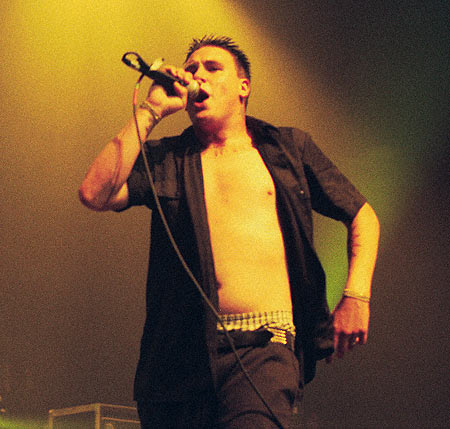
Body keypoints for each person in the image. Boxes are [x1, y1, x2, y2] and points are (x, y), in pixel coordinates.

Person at [79, 36, 380, 428]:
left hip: (264, 347)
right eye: (191, 69)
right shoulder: (167, 158)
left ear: (243, 86)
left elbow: (362, 215)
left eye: (212, 67)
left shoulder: (288, 148)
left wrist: (357, 295)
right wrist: (151, 110)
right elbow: (94, 193)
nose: (196, 75)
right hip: (180, 359)